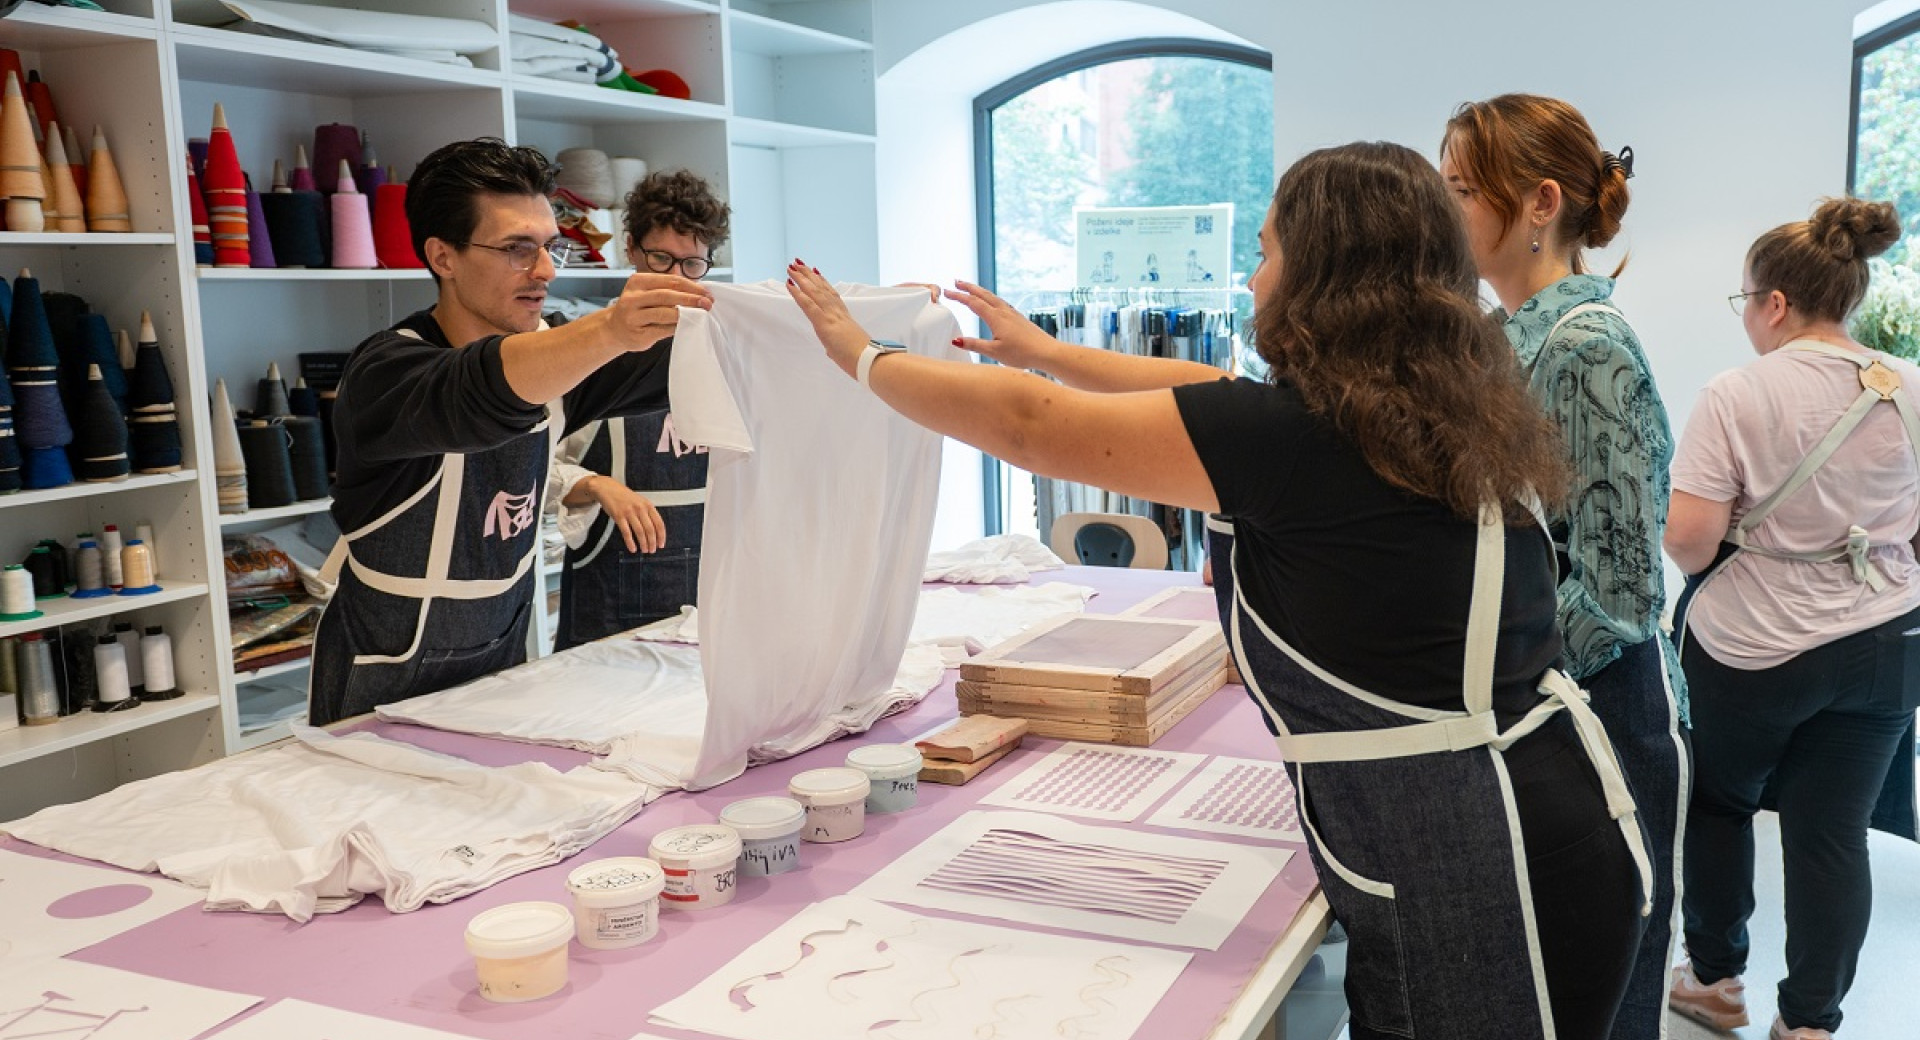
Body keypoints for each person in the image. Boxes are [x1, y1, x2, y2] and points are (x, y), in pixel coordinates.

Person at [786, 141, 1649, 1038]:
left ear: (1323, 272)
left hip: (1488, 866)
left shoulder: (1303, 437)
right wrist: (1050, 351)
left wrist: (861, 354)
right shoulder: (1430, 397)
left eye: (1270, 250)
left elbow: (1029, 425)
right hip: (1537, 822)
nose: (1251, 274)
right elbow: (1209, 390)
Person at [307, 138, 712, 726]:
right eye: (518, 250)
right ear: (443, 257)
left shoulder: (562, 357)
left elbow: (690, 366)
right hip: (380, 691)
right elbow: (482, 387)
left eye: (550, 248)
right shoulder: (387, 374)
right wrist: (608, 331)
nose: (545, 271)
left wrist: (842, 340)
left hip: (501, 673)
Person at [1440, 93, 1687, 1040]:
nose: (1447, 210)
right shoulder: (1508, 341)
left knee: (1603, 1002)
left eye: (1464, 190)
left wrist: (1500, 680)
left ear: (1540, 202)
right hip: (1555, 707)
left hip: (1607, 713)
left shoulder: (1584, 347)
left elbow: (1620, 593)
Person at [1664, 197, 1920, 1040]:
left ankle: (1712, 979)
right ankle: (1809, 1023)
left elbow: (1693, 547)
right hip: (1888, 643)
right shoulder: (1912, 386)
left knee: (1720, 805)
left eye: (1745, 301)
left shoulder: (1737, 393)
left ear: (1774, 302)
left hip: (1754, 650)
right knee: (1833, 832)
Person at [548, 170, 730, 649]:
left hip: (708, 593)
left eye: (692, 264)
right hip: (608, 605)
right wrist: (593, 484)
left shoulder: (726, 352)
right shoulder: (582, 349)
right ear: (630, 249)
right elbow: (522, 465)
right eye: (661, 258)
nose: (675, 278)